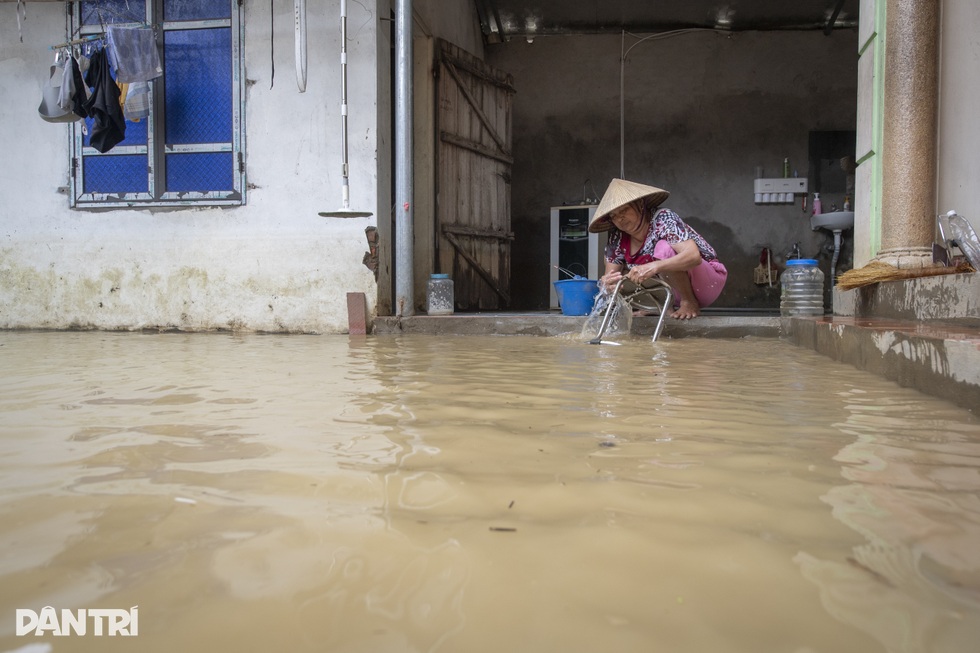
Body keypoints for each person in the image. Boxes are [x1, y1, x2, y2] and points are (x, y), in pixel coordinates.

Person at [589, 178, 727, 319]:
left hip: (706, 283)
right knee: (618, 274)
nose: (620, 218)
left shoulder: (662, 219)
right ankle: (663, 308)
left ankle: (689, 302)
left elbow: (693, 256)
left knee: (663, 249)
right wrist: (607, 284)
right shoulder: (616, 236)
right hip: (669, 292)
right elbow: (609, 277)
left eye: (624, 210)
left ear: (640, 205)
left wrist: (654, 266)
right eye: (614, 216)